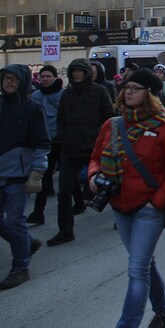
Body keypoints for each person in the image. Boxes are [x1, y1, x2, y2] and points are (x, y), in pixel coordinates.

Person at [87, 68, 165, 328]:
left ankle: (127, 324)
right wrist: (94, 177)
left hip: (148, 209)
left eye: (135, 88)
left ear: (150, 94)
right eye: (126, 88)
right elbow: (96, 157)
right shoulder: (112, 124)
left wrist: (156, 203)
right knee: (143, 263)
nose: (128, 92)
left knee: (137, 269)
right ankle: (164, 309)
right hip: (120, 206)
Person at [50, 58, 114, 247]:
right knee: (64, 190)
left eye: (80, 71)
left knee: (109, 185)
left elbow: (109, 116)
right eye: (74, 71)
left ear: (86, 72)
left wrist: (101, 138)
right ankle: (65, 230)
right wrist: (62, 134)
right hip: (70, 148)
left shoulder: (99, 91)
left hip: (94, 147)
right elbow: (60, 118)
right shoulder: (67, 94)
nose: (77, 74)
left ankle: (122, 217)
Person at [0, 64, 50, 290]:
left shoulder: (33, 108)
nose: (8, 82)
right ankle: (27, 244)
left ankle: (20, 267)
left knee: (15, 221)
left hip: (19, 175)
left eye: (13, 79)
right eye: (5, 78)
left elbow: (42, 143)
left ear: (23, 82)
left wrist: (37, 173)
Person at [26, 66, 65, 226]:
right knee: (45, 174)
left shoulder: (63, 94)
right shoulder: (36, 95)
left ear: (55, 77)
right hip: (44, 141)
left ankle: (80, 201)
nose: (45, 79)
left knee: (69, 177)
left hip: (60, 140)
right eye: (42, 76)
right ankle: (38, 212)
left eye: (48, 76)